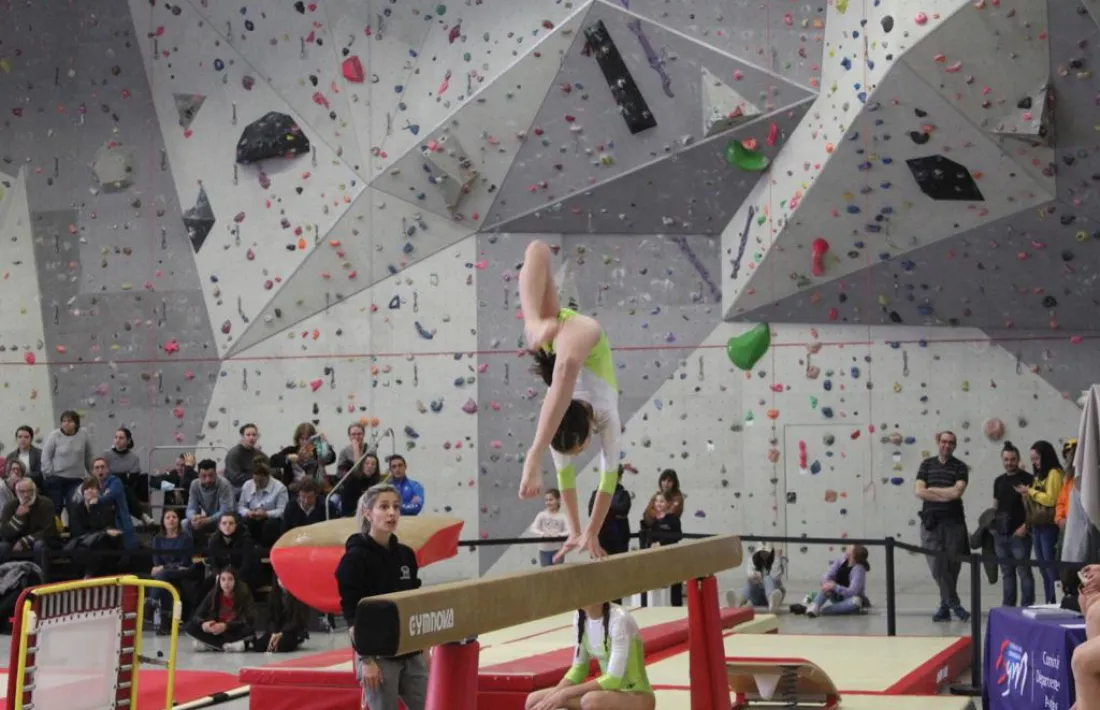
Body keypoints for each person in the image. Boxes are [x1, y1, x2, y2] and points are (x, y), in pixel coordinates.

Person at [518, 239, 624, 562]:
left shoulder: (598, 417)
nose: (580, 453)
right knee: (537, 249)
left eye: (579, 450)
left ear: (586, 433)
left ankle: (534, 325)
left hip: (580, 338)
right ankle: (533, 326)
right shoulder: (591, 419)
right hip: (567, 344)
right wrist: (582, 531)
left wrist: (584, 530)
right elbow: (602, 480)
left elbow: (607, 477)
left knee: (563, 375)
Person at [335, 484, 427, 710]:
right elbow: (352, 617)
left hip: (410, 650)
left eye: (396, 507)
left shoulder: (406, 555)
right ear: (368, 513)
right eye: (384, 507)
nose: (392, 513)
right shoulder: (354, 559)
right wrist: (366, 660)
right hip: (376, 655)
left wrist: (423, 647)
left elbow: (414, 602)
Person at [524, 601, 655, 710]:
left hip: (637, 696)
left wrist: (564, 694)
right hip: (608, 694)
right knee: (534, 700)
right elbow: (579, 669)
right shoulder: (580, 617)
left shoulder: (619, 619)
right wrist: (554, 694)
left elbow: (614, 679)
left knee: (591, 700)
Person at [914, 430, 970, 622]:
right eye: (944, 441)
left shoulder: (960, 467)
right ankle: (954, 603)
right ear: (938, 442)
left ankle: (944, 608)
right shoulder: (926, 464)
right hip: (931, 523)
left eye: (951, 443)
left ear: (955, 445)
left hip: (954, 524)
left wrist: (932, 490)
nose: (947, 445)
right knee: (937, 565)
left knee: (952, 568)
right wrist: (943, 493)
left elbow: (957, 493)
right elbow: (919, 492)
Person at [991, 441, 1035, 607]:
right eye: (1006, 459)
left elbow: (1033, 507)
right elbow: (995, 505)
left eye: (1013, 459)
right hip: (1001, 535)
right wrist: (992, 526)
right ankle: (1008, 608)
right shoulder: (998, 481)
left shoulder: (1027, 478)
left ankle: (1026, 607)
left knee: (1024, 572)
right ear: (1002, 460)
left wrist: (1026, 526)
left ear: (1018, 459)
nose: (1009, 462)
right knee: (1007, 573)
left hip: (1020, 534)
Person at [1021, 440, 1064, 604]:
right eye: (1032, 460)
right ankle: (1048, 600)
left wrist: (1030, 491)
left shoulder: (1054, 473)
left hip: (1049, 525)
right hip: (1037, 524)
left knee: (1051, 566)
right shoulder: (1039, 475)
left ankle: (1057, 600)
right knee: (1043, 566)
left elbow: (1051, 499)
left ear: (1045, 457)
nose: (1035, 463)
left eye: (1037, 459)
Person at [184, 567, 256, 652]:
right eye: (223, 579)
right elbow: (197, 615)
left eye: (230, 579)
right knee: (190, 626)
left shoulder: (244, 592)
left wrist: (226, 626)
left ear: (235, 581)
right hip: (217, 631)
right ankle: (229, 646)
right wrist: (203, 624)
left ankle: (211, 645)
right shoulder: (213, 593)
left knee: (249, 631)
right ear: (219, 581)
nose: (226, 583)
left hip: (234, 630)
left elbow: (249, 619)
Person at [789, 545, 871, 618]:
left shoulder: (859, 569)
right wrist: (827, 583)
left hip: (848, 599)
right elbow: (827, 574)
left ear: (853, 555)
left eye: (850, 548)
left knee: (856, 601)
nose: (848, 547)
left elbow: (852, 592)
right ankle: (814, 607)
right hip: (836, 596)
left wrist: (835, 587)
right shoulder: (841, 560)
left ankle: (819, 611)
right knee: (827, 584)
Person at [66, 477, 125, 578]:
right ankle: (89, 575)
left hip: (101, 545)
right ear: (83, 492)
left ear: (98, 491)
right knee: (94, 549)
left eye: (92, 488)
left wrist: (93, 508)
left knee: (102, 546)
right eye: (86, 489)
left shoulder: (105, 508)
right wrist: (100, 533)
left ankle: (89, 575)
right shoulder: (76, 510)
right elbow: (78, 532)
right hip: (82, 544)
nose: (89, 491)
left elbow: (106, 526)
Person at [249, 576, 311, 653]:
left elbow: (296, 620)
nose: (283, 581)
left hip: (291, 631)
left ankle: (293, 642)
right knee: (259, 645)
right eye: (280, 578)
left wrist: (281, 633)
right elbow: (270, 618)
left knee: (281, 645)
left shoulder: (298, 595)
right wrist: (274, 633)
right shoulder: (272, 595)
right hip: (276, 629)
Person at [528, 488, 568, 566]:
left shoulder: (562, 516)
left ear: (558, 500)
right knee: (546, 573)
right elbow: (533, 528)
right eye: (546, 500)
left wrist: (558, 535)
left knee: (558, 573)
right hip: (544, 551)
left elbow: (569, 531)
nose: (548, 502)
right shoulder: (541, 515)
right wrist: (543, 534)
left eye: (551, 500)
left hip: (558, 550)